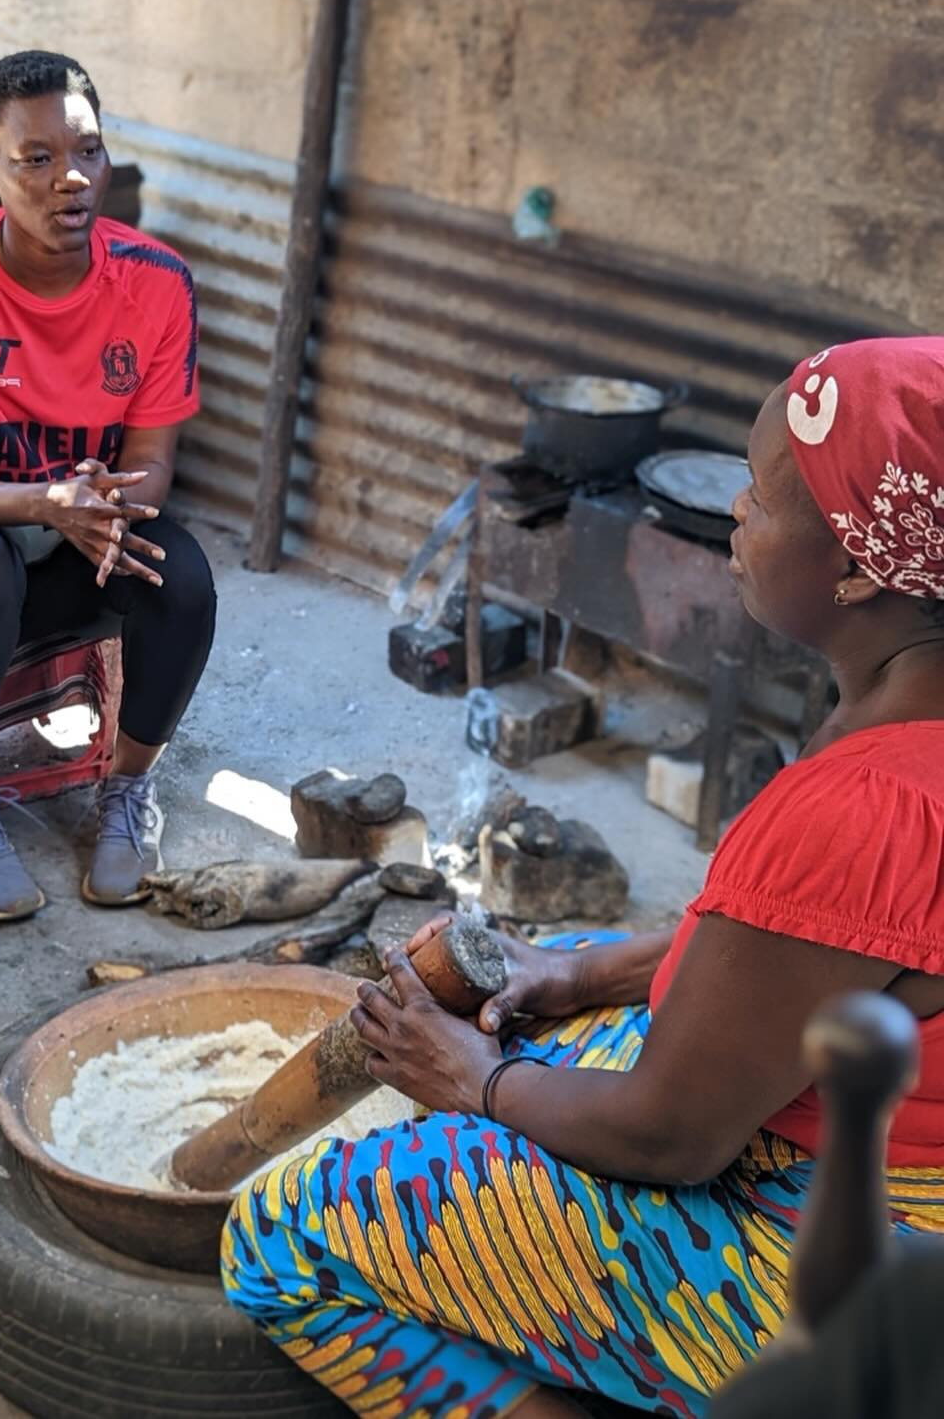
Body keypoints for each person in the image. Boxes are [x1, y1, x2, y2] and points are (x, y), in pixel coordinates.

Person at [224, 336, 944, 1417]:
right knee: (542, 991)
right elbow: (812, 950)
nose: (737, 514)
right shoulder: (898, 721)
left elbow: (675, 1136)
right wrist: (585, 973)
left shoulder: (862, 807)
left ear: (860, 567)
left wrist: (478, 1080)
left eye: (762, 495)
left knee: (282, 1233)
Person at [0, 50, 216, 918]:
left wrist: (107, 507)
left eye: (88, 150)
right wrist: (46, 503)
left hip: (73, 538)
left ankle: (127, 791)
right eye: (35, 159)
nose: (70, 177)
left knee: (182, 578)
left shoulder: (158, 283)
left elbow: (153, 467)